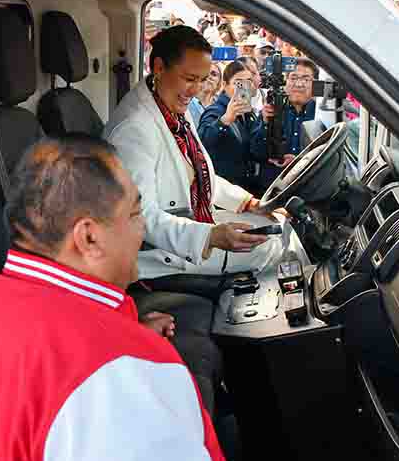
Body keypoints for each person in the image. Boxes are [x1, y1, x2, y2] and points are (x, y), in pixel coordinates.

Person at [0, 136, 232, 461]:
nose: (142, 231)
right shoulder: (120, 380)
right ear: (88, 238)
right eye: (136, 214)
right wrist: (128, 353)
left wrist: (122, 333)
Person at [104, 25, 302, 282]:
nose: (196, 89)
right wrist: (209, 236)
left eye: (202, 79)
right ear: (159, 67)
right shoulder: (134, 129)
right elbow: (142, 217)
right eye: (189, 79)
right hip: (161, 253)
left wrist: (250, 203)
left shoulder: (171, 105)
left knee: (277, 226)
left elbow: (199, 175)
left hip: (191, 222)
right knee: (277, 246)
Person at [198, 60, 269, 194]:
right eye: (238, 82)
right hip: (223, 194)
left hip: (245, 191)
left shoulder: (247, 113)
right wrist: (224, 121)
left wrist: (264, 121)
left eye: (248, 81)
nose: (243, 87)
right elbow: (202, 143)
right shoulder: (216, 111)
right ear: (225, 85)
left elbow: (256, 148)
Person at [255, 58, 318, 191]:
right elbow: (255, 151)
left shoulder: (320, 114)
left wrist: (298, 161)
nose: (299, 84)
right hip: (274, 189)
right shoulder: (271, 110)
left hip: (309, 188)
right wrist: (265, 122)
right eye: (293, 77)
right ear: (285, 82)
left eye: (306, 79)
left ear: (315, 85)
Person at [189, 62, 221, 127]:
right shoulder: (186, 102)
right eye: (205, 73)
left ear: (219, 83)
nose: (209, 77)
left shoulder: (221, 107)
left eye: (214, 74)